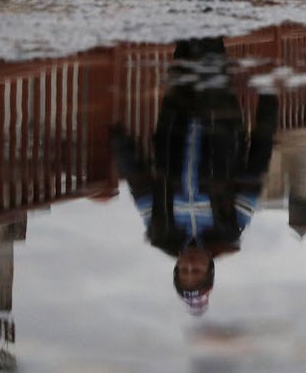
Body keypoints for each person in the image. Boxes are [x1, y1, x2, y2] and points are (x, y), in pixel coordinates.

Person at [111, 37, 279, 315]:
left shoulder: (160, 231)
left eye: (184, 270)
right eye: (196, 270)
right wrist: (268, 107)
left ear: (176, 267)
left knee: (186, 49)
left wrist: (120, 144)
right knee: (210, 55)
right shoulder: (229, 229)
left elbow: (139, 185)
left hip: (174, 125)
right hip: (220, 124)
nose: (189, 263)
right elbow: (256, 167)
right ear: (209, 267)